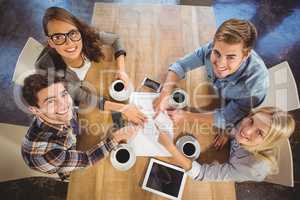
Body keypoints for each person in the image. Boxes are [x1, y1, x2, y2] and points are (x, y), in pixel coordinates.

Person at [153, 19, 269, 148]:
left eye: (230, 57)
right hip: (219, 99)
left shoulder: (254, 85)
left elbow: (227, 118)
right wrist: (165, 93)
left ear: (245, 55)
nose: (220, 64)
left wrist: (186, 116)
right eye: (217, 53)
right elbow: (180, 65)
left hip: (244, 110)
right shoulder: (212, 49)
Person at [36, 6, 146, 125]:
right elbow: (82, 96)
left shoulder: (86, 37)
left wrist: (121, 70)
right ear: (50, 42)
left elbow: (115, 39)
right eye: (58, 37)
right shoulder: (47, 70)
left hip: (94, 86)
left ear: (79, 31)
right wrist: (122, 108)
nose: (69, 43)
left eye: (72, 33)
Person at [21, 74, 140, 180]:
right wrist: (116, 138)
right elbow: (87, 159)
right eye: (51, 101)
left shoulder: (59, 113)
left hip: (75, 142)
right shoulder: (45, 154)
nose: (64, 105)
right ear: (35, 110)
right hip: (69, 170)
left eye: (63, 94)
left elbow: (73, 113)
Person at [156, 107, 295, 182]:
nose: (245, 130)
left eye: (259, 133)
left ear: (268, 143)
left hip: (230, 169)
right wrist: (229, 133)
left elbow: (202, 174)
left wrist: (169, 147)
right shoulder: (247, 122)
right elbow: (233, 120)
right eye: (251, 121)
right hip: (223, 150)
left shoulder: (254, 168)